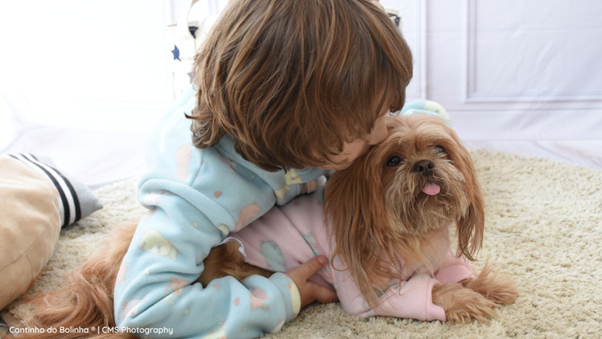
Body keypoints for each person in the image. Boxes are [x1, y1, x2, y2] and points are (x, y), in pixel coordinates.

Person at [114, 0, 413, 337]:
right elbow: (145, 311)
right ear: (296, 124)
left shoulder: (320, 128)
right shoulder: (201, 190)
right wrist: (281, 298)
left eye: (385, 110)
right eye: (362, 126)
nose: (381, 133)